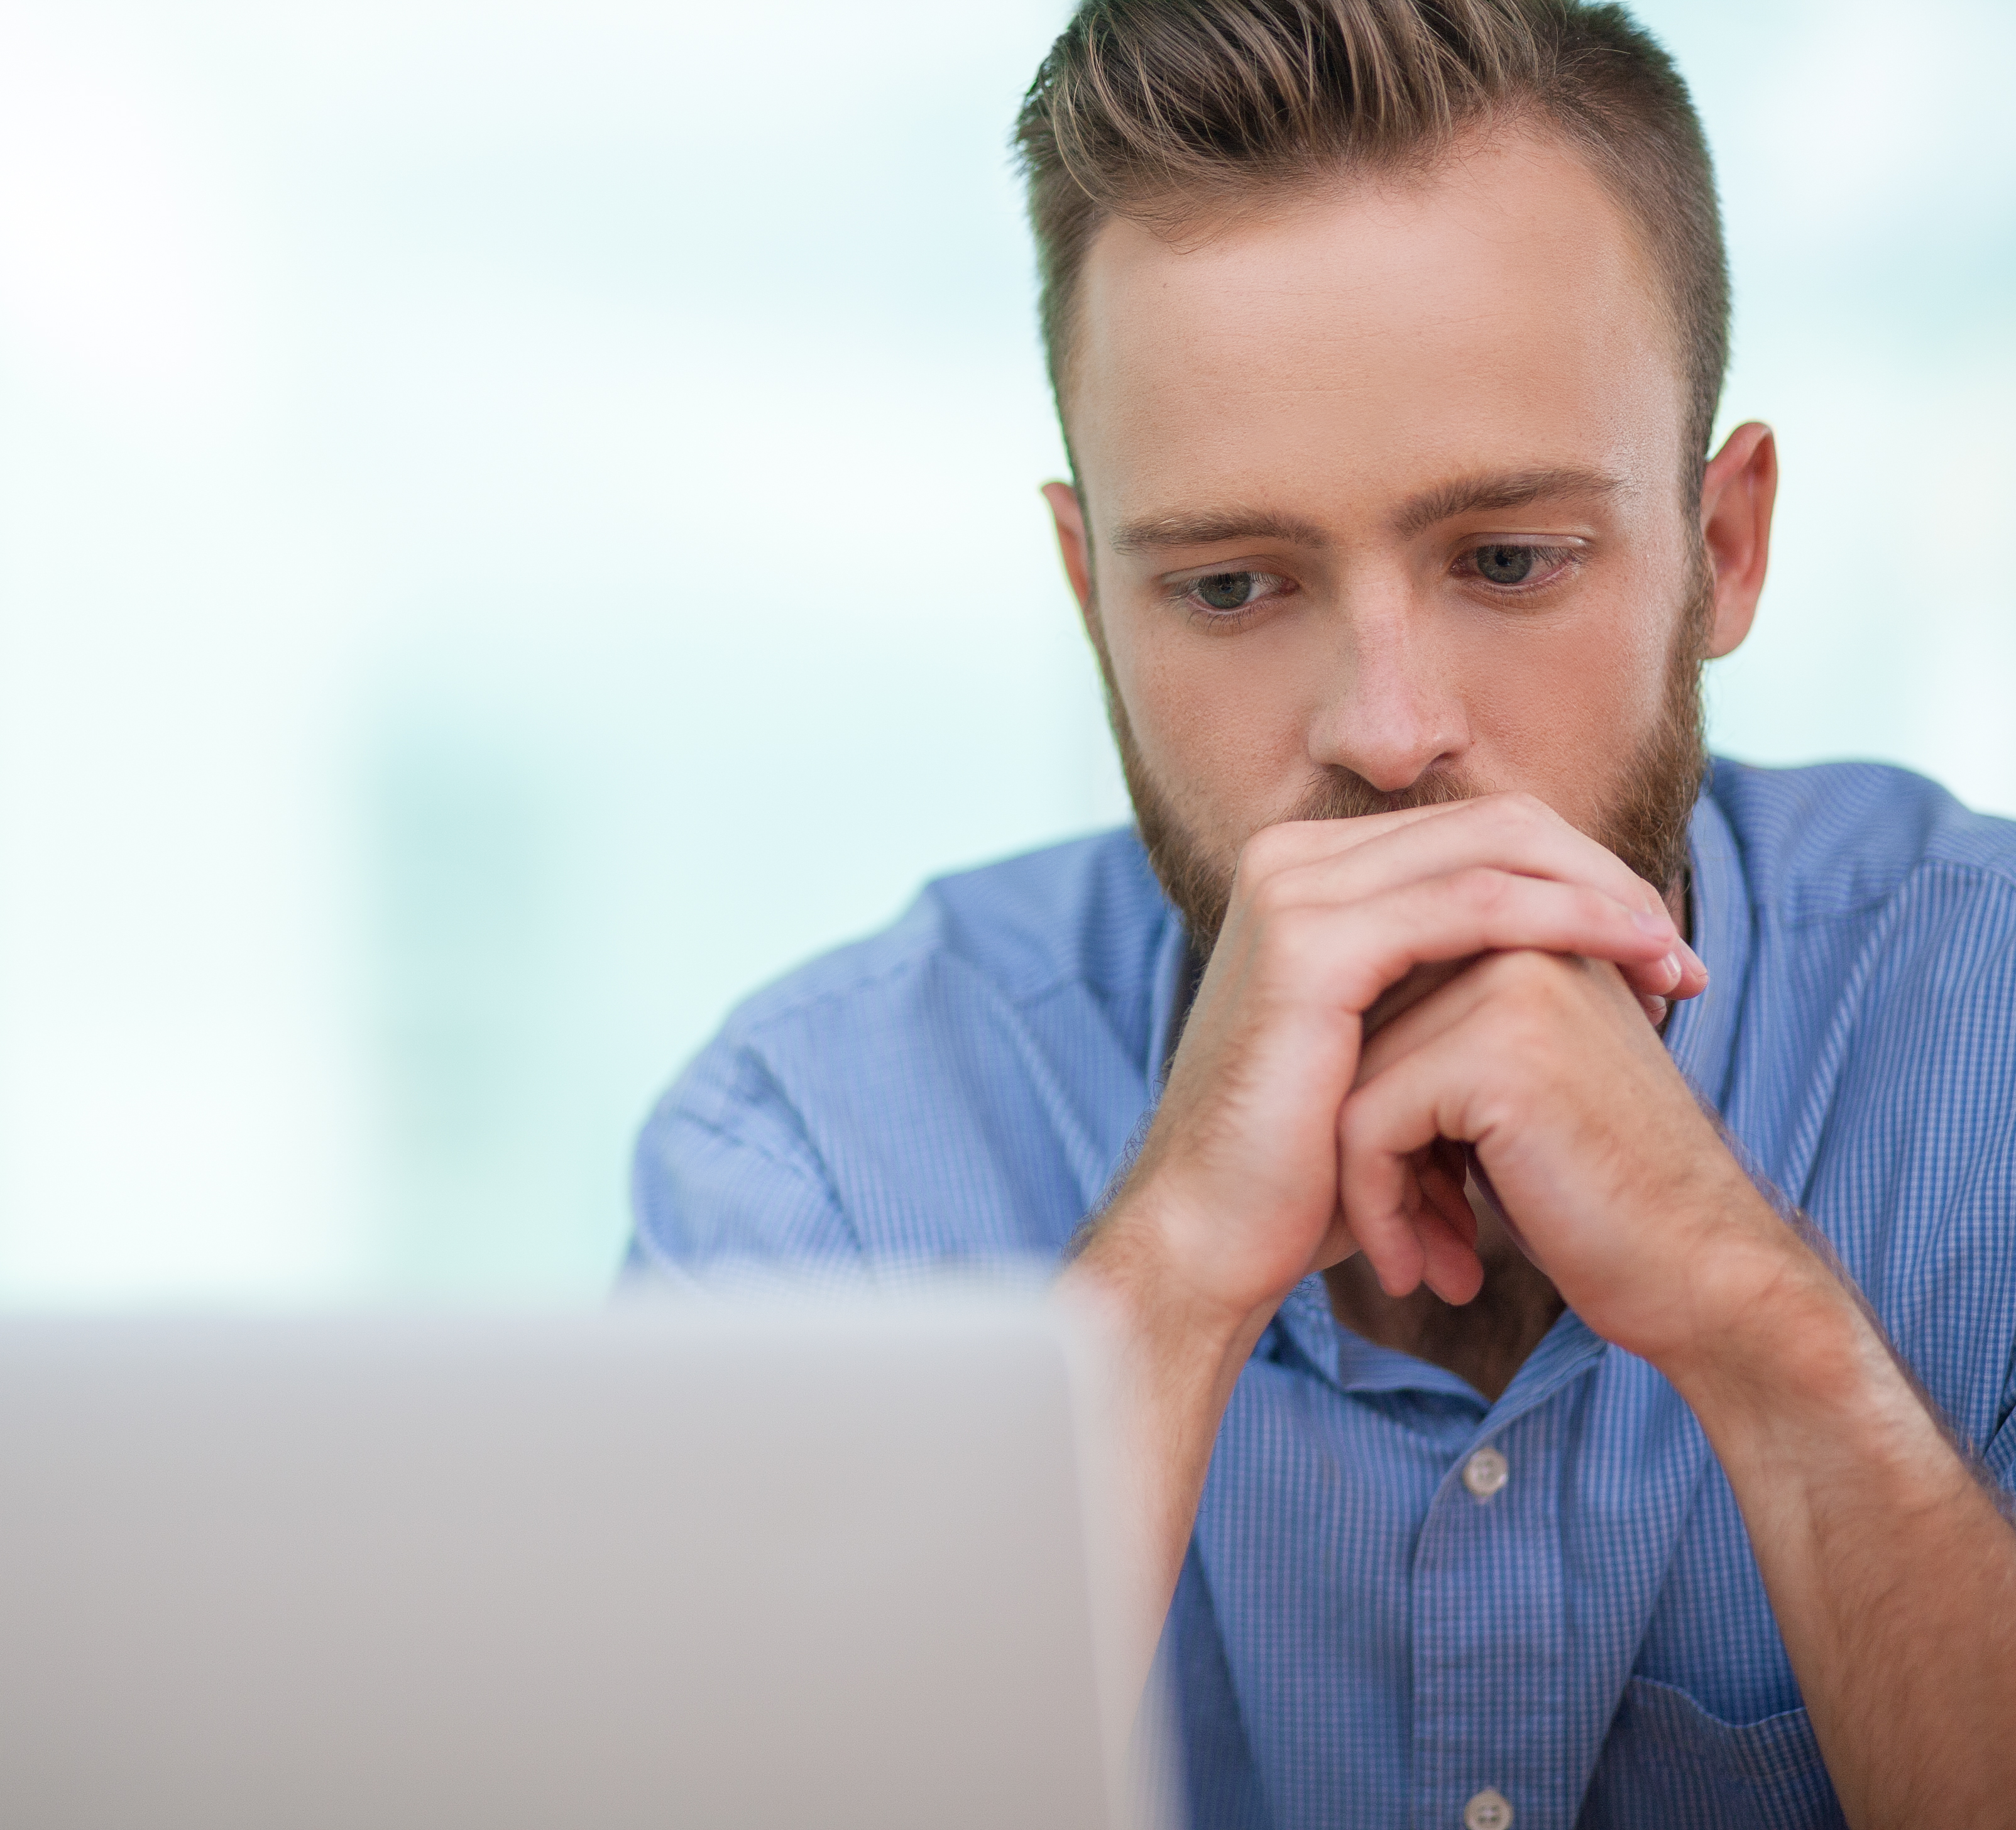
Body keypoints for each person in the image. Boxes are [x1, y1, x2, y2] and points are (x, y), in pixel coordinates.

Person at [625, 2, 2016, 1824]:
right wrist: (1170, 1273)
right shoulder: (815, 1155)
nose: (1384, 729)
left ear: (1723, 548)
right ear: (1088, 596)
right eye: (1227, 585)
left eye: (1508, 560)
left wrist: (1765, 1332)